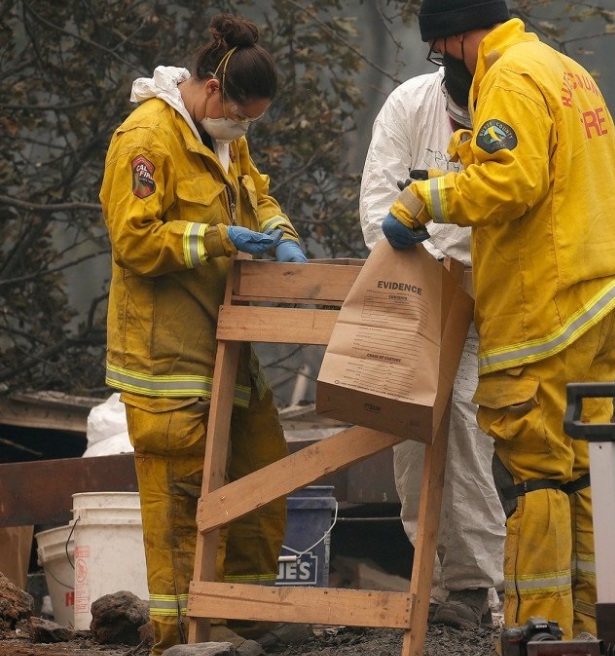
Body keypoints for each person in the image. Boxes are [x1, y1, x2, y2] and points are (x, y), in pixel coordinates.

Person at [380, 0, 615, 639]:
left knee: (538, 475)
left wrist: (424, 198)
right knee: (583, 469)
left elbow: (512, 182)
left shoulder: (509, 77)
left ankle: (538, 630)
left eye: (442, 53)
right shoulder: (563, 70)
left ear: (459, 36)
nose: (446, 69)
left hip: (542, 307)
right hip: (596, 296)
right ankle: (591, 626)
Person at [100, 13, 309, 655]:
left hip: (227, 347)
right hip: (166, 357)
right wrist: (215, 238)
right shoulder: (147, 139)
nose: (244, 130)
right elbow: (134, 238)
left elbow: (256, 194)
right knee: (180, 499)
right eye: (241, 116)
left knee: (258, 475)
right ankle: (182, 632)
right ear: (212, 92)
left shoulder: (222, 140)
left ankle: (241, 613)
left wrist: (281, 232)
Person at [358, 67, 505, 629]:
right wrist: (403, 256)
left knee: (466, 425)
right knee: (414, 433)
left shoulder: (515, 97)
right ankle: (442, 577)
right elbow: (378, 200)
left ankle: (474, 586)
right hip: (422, 290)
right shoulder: (410, 104)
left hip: (496, 294)